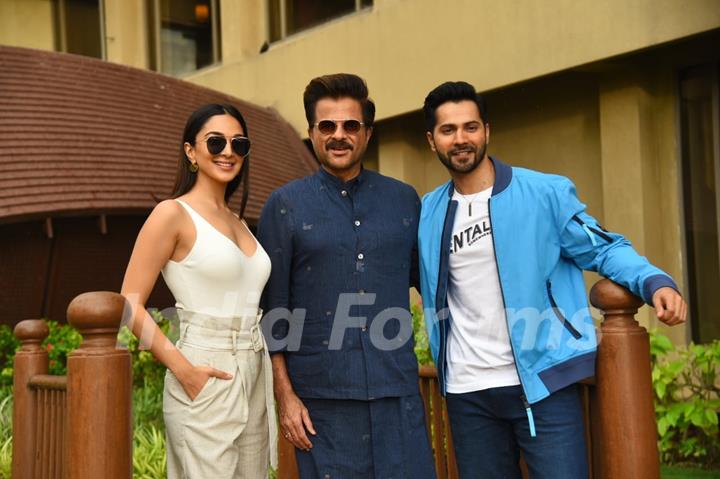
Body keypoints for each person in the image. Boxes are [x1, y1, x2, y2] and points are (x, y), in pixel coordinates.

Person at [417, 81, 687, 479]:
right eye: (448, 130)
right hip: (466, 391)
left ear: (487, 131)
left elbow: (604, 248)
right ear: (432, 140)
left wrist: (654, 282)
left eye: (470, 127)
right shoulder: (428, 212)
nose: (461, 139)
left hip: (542, 385)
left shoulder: (545, 193)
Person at [258, 73, 436, 479]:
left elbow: (431, 284)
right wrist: (285, 396)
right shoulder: (284, 206)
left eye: (350, 126)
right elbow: (274, 310)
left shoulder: (403, 199)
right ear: (312, 133)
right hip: (323, 403)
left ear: (367, 133)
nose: (339, 135)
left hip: (398, 394)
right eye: (328, 126)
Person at [121, 104, 276, 479]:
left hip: (254, 367)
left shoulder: (238, 221)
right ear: (191, 150)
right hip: (205, 367)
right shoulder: (172, 214)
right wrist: (183, 369)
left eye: (238, 143)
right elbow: (128, 304)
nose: (228, 151)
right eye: (216, 141)